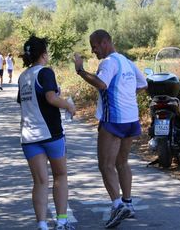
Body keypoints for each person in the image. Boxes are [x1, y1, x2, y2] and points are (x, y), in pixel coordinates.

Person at [74, 29, 147, 229]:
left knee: (105, 165)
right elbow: (143, 84)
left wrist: (80, 71)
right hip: (131, 119)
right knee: (122, 162)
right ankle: (128, 203)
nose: (93, 51)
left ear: (105, 43)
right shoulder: (127, 61)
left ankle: (117, 205)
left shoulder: (108, 62)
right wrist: (126, 95)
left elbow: (102, 84)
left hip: (113, 119)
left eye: (95, 46)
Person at [17, 35, 76, 230]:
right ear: (43, 54)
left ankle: (42, 225)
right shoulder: (45, 72)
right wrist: (68, 105)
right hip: (51, 134)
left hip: (28, 137)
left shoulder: (23, 76)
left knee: (40, 182)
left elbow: (25, 102)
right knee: (60, 175)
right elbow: (51, 98)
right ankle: (61, 221)